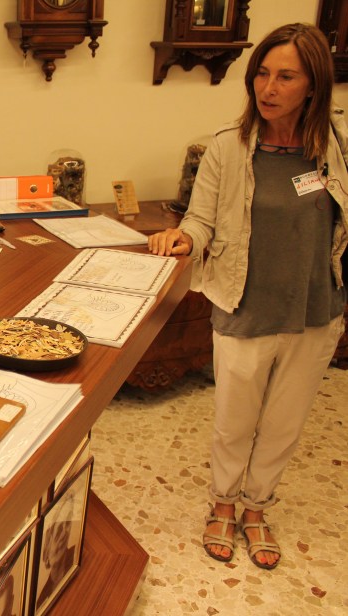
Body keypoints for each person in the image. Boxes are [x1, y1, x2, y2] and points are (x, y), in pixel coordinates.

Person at [148, 23, 347, 570]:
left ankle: (256, 508)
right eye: (262, 73)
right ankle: (222, 504)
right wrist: (185, 238)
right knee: (234, 422)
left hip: (315, 312)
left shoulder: (335, 147)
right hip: (244, 307)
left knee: (285, 423)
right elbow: (201, 219)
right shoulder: (228, 147)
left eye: (286, 77)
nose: (268, 87)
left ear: (313, 85)